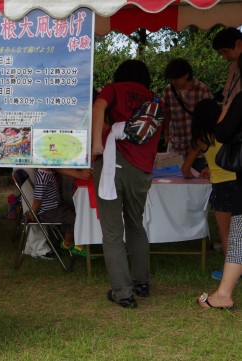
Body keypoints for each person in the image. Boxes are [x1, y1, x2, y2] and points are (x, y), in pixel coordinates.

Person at [91, 60, 163, 309]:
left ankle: (122, 292)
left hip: (112, 165)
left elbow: (98, 106)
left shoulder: (114, 89)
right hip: (141, 171)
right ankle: (141, 282)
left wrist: (97, 144)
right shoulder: (155, 100)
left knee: (112, 232)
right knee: (136, 224)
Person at [197, 54, 242, 309]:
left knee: (238, 233)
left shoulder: (239, 100)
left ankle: (224, 294)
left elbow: (223, 133)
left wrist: (225, 110)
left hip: (234, 182)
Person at [181, 99, 237, 281]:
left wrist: (207, 169)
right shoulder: (229, 131)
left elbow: (186, 169)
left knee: (226, 233)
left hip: (222, 187)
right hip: (238, 181)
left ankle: (232, 275)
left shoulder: (201, 139)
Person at [25, 168, 93, 259]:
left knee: (71, 213)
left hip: (55, 207)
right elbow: (37, 200)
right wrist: (33, 213)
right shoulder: (42, 177)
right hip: (48, 212)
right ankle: (78, 246)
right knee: (74, 217)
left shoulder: (48, 172)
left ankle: (67, 243)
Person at [163, 58, 212, 171]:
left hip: (197, 147)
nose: (173, 82)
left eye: (176, 78)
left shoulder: (202, 90)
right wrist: (167, 134)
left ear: (186, 75)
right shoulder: (168, 90)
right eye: (171, 79)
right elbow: (167, 113)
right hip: (176, 145)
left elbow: (208, 120)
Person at [212, 27, 242, 107]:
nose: (224, 57)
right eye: (221, 54)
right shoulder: (233, 67)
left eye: (225, 51)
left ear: (239, 44)